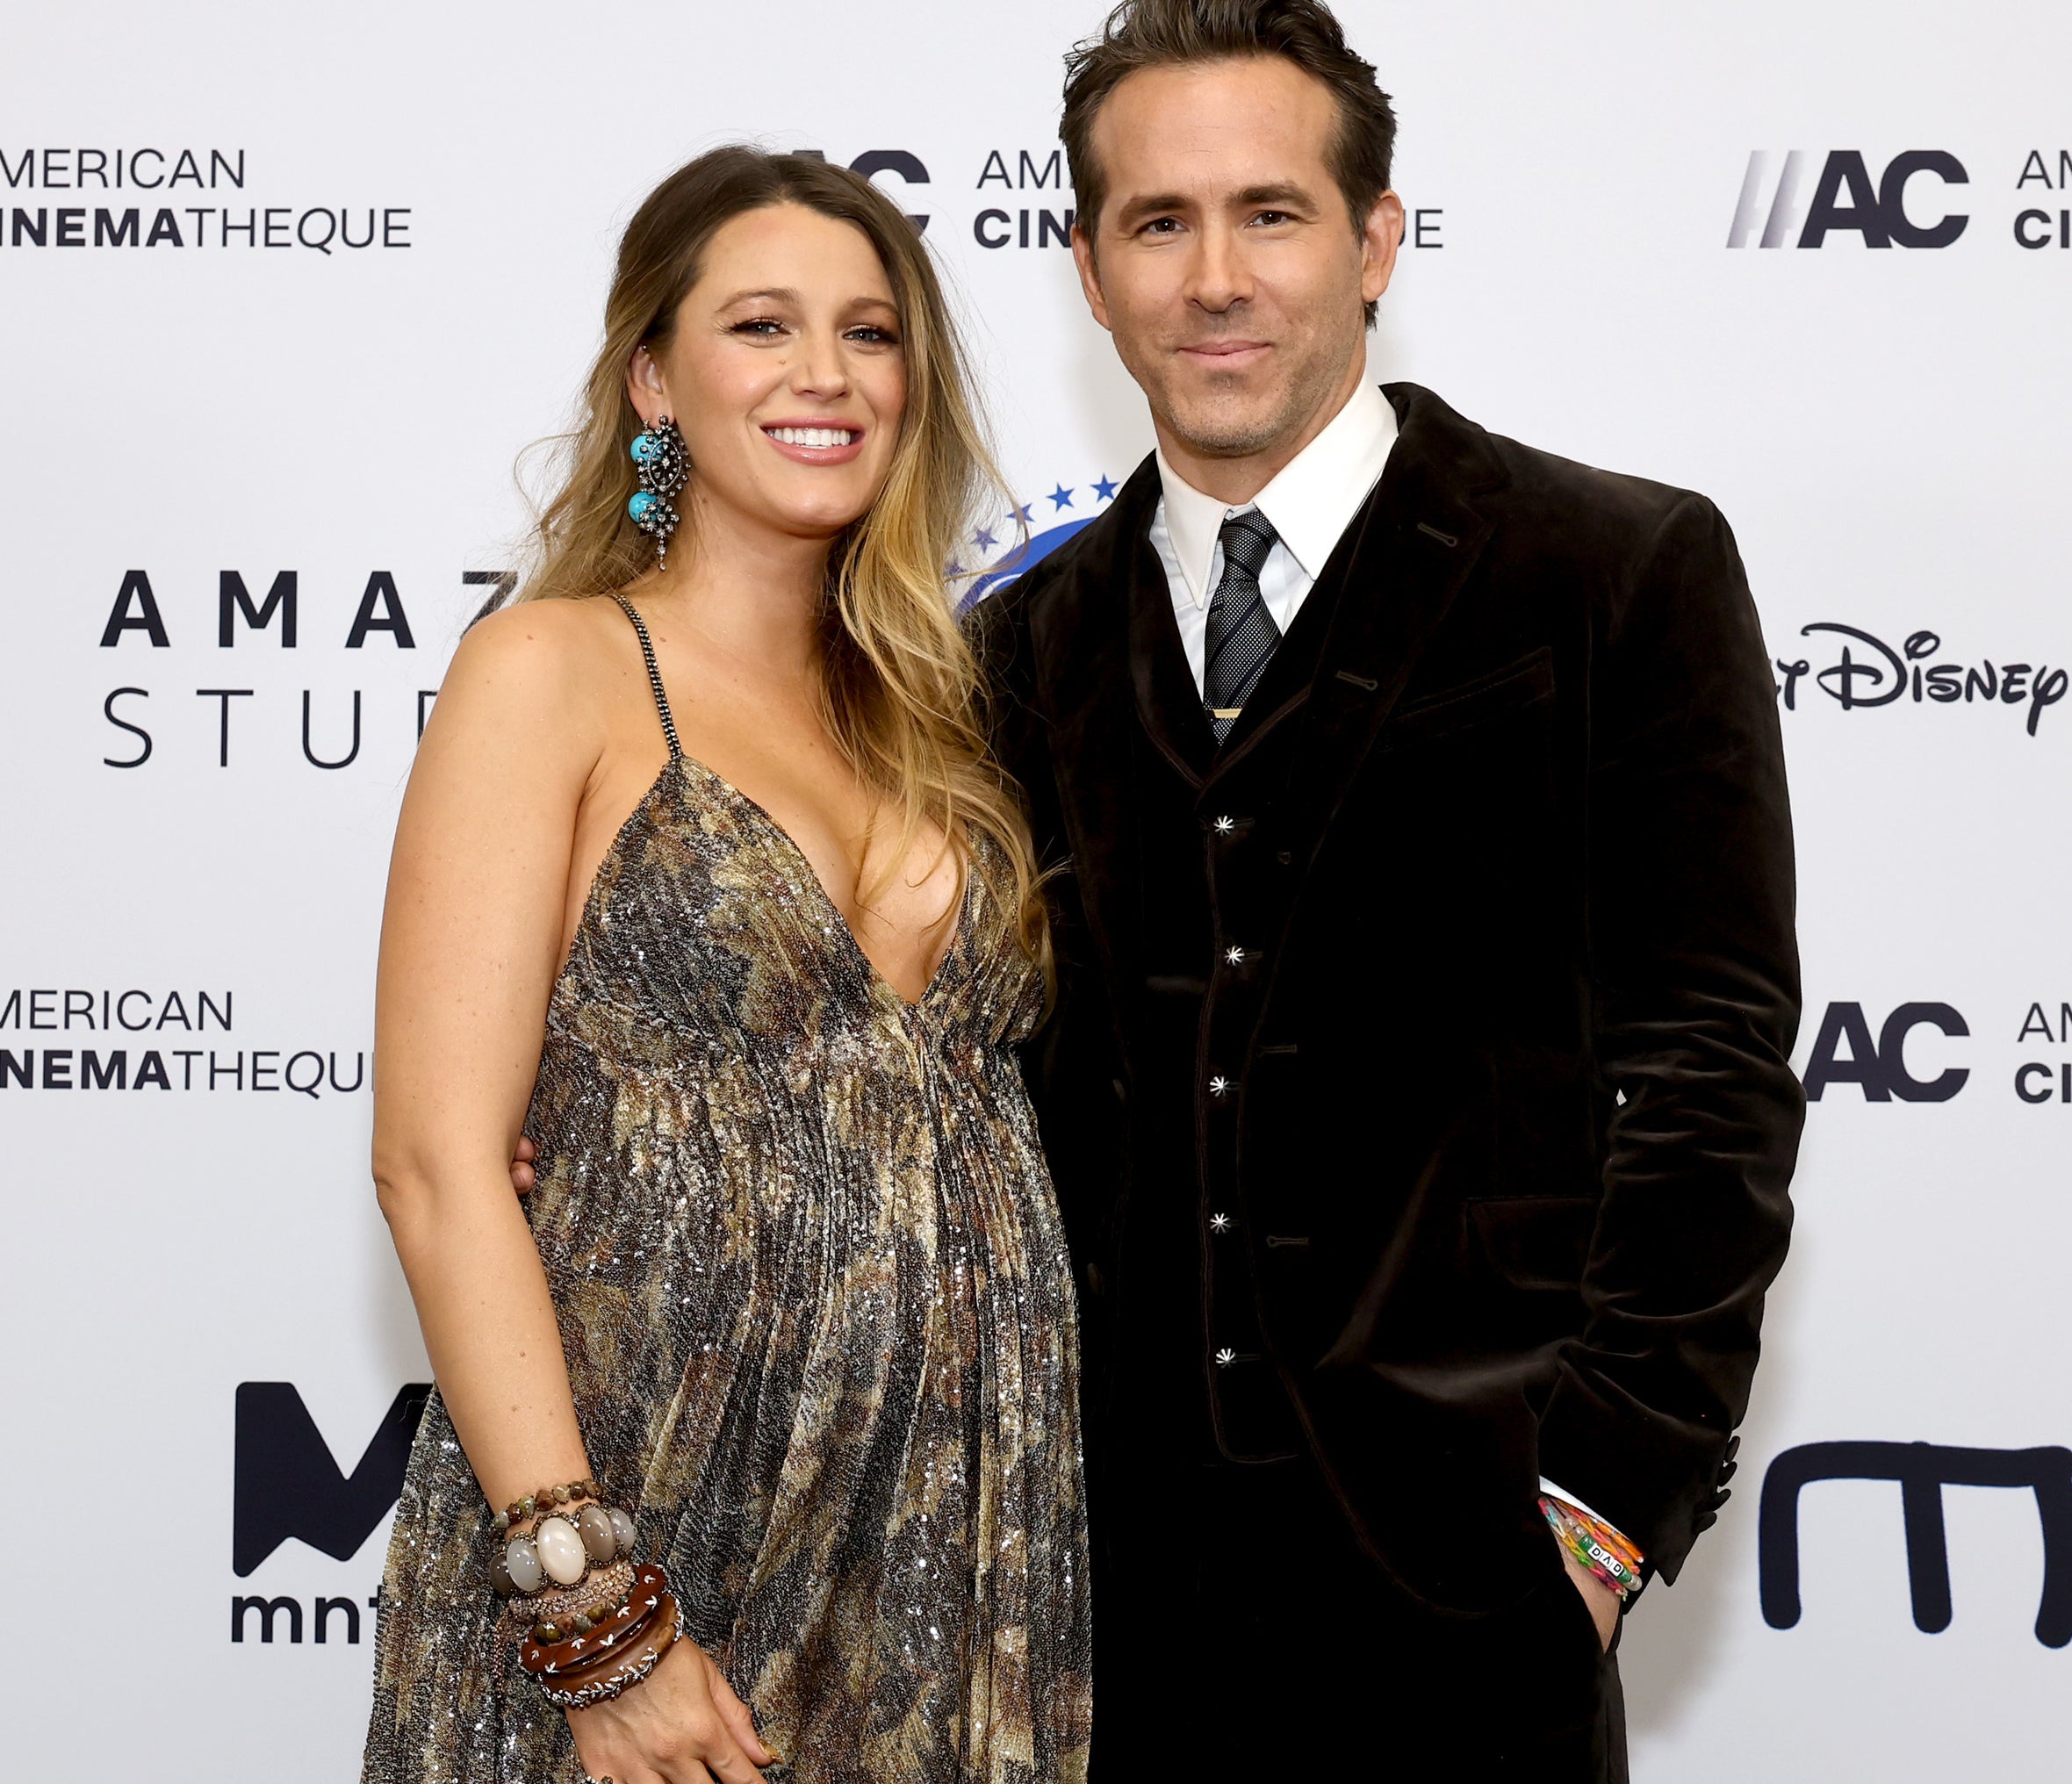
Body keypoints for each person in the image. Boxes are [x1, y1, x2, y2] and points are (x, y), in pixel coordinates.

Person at [970, 2, 1806, 1777]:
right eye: (1157, 221)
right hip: (1100, 1636)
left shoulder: (1613, 571)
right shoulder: (1008, 654)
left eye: (1269, 213)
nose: (1215, 277)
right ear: (1088, 267)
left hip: (1471, 1614)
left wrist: (1596, 1506)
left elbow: (1709, 1063)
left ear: (1373, 239)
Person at [363, 147, 1090, 1784]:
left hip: (952, 1532)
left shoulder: (953, 712)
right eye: (762, 326)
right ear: (654, 380)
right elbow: (434, 1165)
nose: (826, 375)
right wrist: (596, 1621)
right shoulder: (550, 669)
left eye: (872, 333)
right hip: (653, 1502)